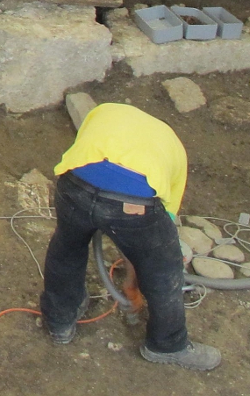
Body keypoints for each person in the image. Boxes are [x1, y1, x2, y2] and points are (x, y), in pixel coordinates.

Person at [41, 102, 220, 372]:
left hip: (74, 182)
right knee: (163, 268)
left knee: (68, 245)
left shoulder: (103, 112)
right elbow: (147, 247)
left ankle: (59, 321)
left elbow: (90, 162)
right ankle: (167, 345)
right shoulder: (175, 155)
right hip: (133, 202)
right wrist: (132, 286)